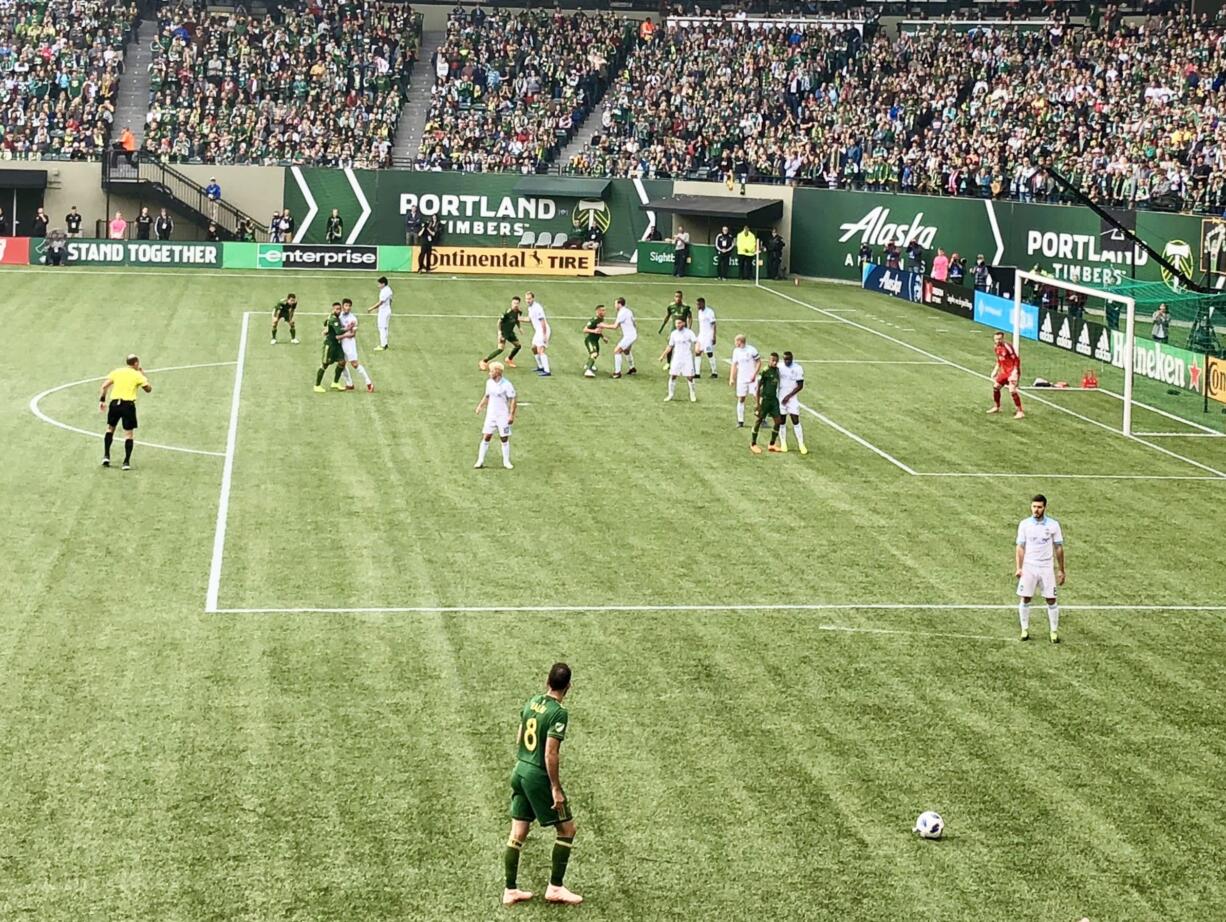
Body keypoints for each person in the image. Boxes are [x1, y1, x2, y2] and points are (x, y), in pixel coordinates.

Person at [502, 662, 581, 906]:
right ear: (568, 686)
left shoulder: (531, 702)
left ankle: (510, 890)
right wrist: (555, 788)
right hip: (537, 775)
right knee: (567, 829)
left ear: (547, 681)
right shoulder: (559, 713)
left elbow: (519, 737)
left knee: (518, 832)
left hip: (520, 769)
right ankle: (555, 887)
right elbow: (550, 753)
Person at [1015, 494, 1066, 643]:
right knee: (1025, 597)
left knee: (1051, 599)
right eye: (1034, 507)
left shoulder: (1053, 525)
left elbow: (1059, 548)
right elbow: (1020, 547)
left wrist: (1061, 569)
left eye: (1039, 507)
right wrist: (1019, 567)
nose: (1036, 510)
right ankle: (1024, 629)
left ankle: (1053, 631)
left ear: (1044, 508)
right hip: (1029, 566)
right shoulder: (1024, 524)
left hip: (1046, 567)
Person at [98, 354, 152, 470]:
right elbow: (148, 389)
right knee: (128, 434)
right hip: (128, 406)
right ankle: (126, 462)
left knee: (110, 429)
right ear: (136, 363)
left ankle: (106, 456)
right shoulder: (137, 375)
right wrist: (143, 376)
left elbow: (104, 386)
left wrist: (102, 400)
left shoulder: (117, 372)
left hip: (114, 404)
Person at [475, 361, 517, 470]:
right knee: (486, 436)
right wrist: (480, 406)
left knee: (504, 437)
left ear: (497, 372)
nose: (489, 373)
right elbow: (487, 395)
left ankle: (506, 461)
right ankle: (480, 460)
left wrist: (511, 415)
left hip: (502, 415)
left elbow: (513, 399)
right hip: (491, 415)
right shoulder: (489, 383)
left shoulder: (507, 385)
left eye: (491, 371)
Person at [749, 352, 784, 453]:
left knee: (778, 421)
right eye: (773, 360)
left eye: (776, 361)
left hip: (774, 400)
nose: (775, 362)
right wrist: (757, 403)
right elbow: (758, 387)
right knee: (759, 420)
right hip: (765, 400)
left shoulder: (777, 371)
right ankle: (753, 443)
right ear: (769, 360)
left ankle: (772, 444)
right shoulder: (765, 371)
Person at [338, 299, 374, 392]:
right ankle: (349, 383)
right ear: (342, 306)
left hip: (349, 344)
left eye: (349, 306)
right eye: (346, 305)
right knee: (341, 363)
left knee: (354, 364)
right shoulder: (339, 315)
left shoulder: (353, 318)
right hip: (341, 344)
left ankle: (369, 383)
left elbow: (353, 334)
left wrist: (340, 336)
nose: (348, 308)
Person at [660, 317, 699, 402]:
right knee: (673, 375)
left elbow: (696, 341)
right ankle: (670, 394)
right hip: (677, 357)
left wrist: (697, 349)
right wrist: (663, 355)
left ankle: (692, 394)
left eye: (679, 323)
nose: (677, 325)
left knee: (690, 377)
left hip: (687, 357)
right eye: (676, 323)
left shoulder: (689, 333)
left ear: (684, 323)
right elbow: (670, 346)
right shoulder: (674, 334)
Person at [313, 303, 349, 392]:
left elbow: (325, 323)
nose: (338, 311)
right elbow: (339, 331)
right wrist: (349, 328)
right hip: (330, 346)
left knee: (342, 362)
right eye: (336, 309)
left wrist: (327, 329)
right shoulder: (333, 319)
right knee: (325, 364)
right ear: (333, 309)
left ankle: (335, 382)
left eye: (339, 309)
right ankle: (317, 385)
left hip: (337, 345)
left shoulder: (333, 318)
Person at [988, 331, 1024, 419]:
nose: (998, 341)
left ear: (1003, 339)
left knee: (1012, 390)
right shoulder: (996, 347)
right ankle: (997, 407)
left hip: (1012, 371)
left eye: (1000, 339)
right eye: (996, 339)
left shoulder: (1008, 347)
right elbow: (999, 360)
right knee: (996, 387)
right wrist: (995, 370)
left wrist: (1015, 372)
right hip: (1004, 372)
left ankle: (1020, 412)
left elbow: (1016, 360)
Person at [481, 297, 523, 370]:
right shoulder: (507, 312)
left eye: (517, 303)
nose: (515, 305)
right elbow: (499, 322)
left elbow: (517, 320)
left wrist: (519, 327)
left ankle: (509, 359)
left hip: (510, 333)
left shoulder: (518, 311)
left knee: (518, 346)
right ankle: (484, 361)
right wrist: (500, 332)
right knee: (500, 349)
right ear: (511, 303)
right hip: (504, 333)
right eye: (514, 303)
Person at [729, 334, 761, 428]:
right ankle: (740, 420)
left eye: (736, 341)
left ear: (740, 341)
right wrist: (732, 377)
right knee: (741, 398)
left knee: (757, 398)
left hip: (752, 379)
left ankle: (761, 418)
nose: (735, 343)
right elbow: (734, 365)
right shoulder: (736, 351)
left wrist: (754, 374)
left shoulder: (751, 350)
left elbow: (759, 361)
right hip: (741, 379)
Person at [777, 351, 807, 453]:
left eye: (789, 359)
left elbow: (800, 385)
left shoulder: (797, 368)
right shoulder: (779, 367)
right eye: (785, 359)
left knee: (795, 420)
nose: (787, 361)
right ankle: (783, 443)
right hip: (781, 398)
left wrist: (789, 396)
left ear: (792, 359)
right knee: (782, 421)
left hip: (792, 399)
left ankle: (801, 444)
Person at [523, 291, 551, 377]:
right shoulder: (530, 308)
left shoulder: (537, 307)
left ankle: (547, 370)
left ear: (533, 299)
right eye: (526, 299)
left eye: (529, 299)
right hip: (538, 331)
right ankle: (540, 366)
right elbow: (529, 319)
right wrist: (518, 318)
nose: (528, 300)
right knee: (533, 348)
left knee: (540, 350)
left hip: (542, 331)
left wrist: (545, 336)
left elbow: (543, 322)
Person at [610, 296, 637, 378]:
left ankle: (617, 373)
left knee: (617, 351)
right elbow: (634, 323)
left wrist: (603, 325)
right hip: (633, 334)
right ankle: (632, 368)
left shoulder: (621, 313)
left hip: (629, 336)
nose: (614, 306)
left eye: (615, 304)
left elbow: (615, 326)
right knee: (626, 351)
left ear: (619, 304)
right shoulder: (628, 311)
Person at [366, 276, 393, 350]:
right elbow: (390, 301)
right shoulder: (389, 289)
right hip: (387, 310)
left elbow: (381, 302)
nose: (378, 285)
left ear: (383, 284)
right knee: (385, 327)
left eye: (379, 284)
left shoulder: (384, 291)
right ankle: (385, 344)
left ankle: (383, 345)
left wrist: (371, 308)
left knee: (381, 328)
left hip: (384, 312)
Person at [582, 305, 608, 378]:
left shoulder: (601, 319)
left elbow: (598, 330)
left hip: (595, 340)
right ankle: (588, 370)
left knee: (596, 354)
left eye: (605, 310)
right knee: (594, 353)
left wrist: (603, 337)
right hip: (590, 340)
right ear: (598, 311)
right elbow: (585, 330)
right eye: (603, 310)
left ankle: (588, 364)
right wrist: (594, 331)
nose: (604, 312)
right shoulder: (594, 320)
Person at [695, 297, 718, 378]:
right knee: (697, 352)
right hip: (701, 335)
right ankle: (697, 373)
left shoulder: (709, 312)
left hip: (708, 336)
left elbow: (713, 324)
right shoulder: (700, 312)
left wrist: (714, 336)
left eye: (698, 304)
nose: (697, 306)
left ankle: (714, 372)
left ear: (703, 303)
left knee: (709, 353)